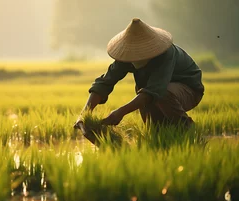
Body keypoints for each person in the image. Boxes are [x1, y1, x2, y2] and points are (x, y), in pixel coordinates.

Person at [75, 18, 204, 129]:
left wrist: (121, 112)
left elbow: (155, 90)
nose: (135, 57)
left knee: (163, 93)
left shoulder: (165, 54)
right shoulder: (127, 55)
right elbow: (105, 82)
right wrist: (84, 113)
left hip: (188, 89)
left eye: (140, 52)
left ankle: (187, 128)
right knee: (155, 129)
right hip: (151, 90)